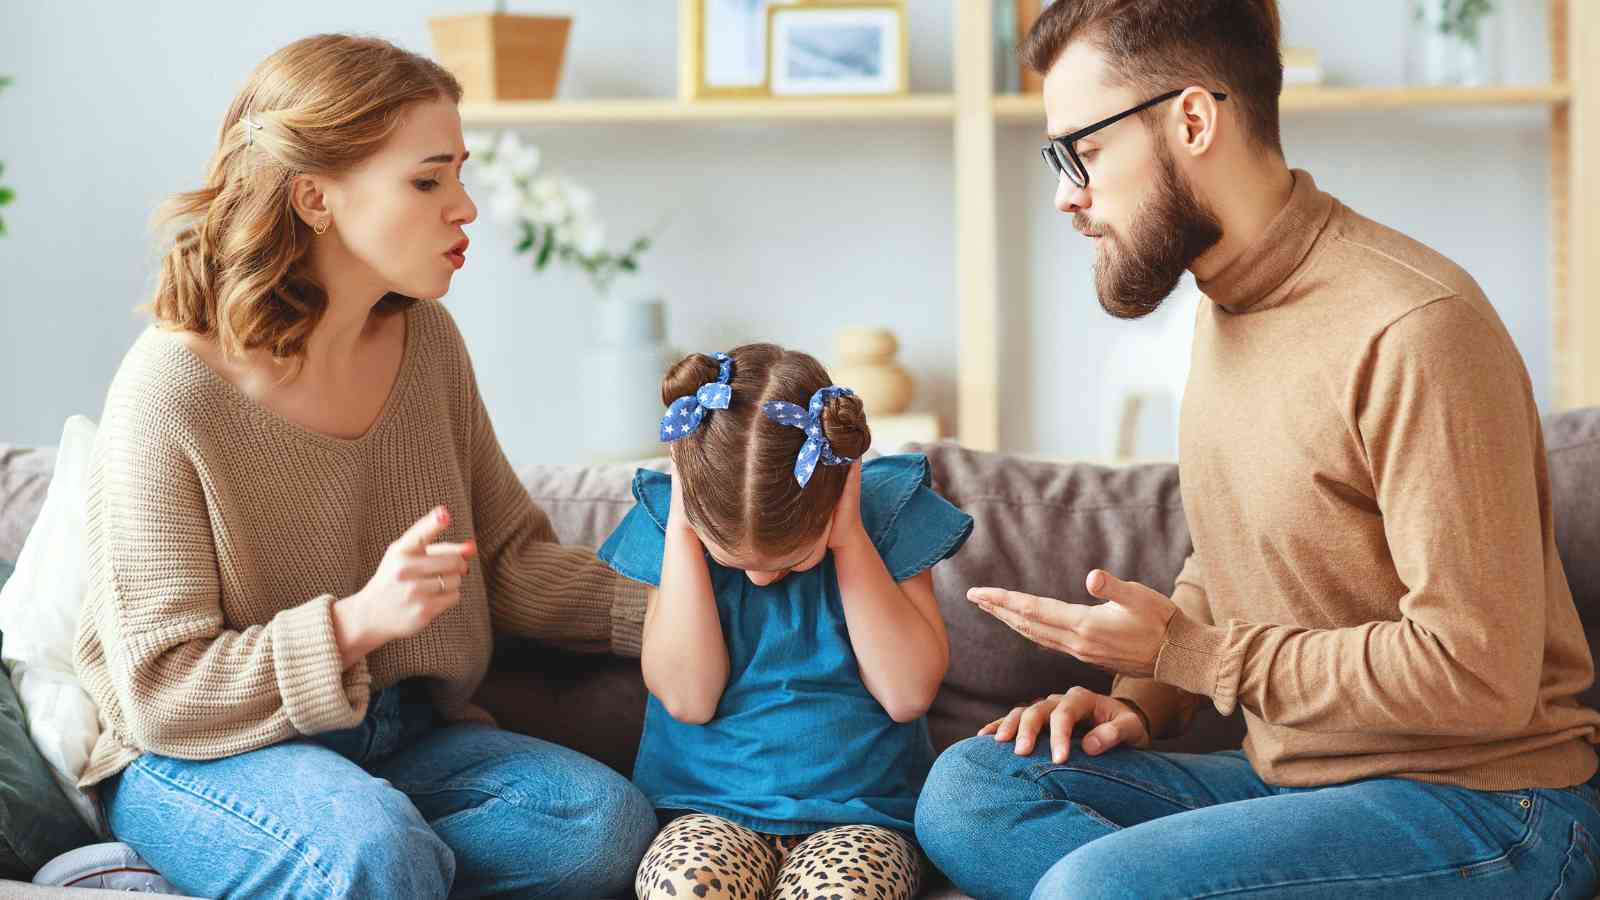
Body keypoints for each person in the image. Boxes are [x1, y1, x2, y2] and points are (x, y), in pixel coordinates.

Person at [912, 2, 1600, 898]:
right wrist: (1136, 702)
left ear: (1193, 119)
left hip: (1491, 809)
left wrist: (1196, 656)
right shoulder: (1224, 309)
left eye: (1081, 148)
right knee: (969, 789)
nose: (1066, 192)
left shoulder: (1414, 328)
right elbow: (1238, 559)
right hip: (1299, 786)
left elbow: (1479, 673)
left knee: (1097, 889)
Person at [75, 33, 655, 899]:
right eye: (428, 179)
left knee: (599, 828)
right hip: (204, 755)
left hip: (400, 733)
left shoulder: (427, 341)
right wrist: (353, 625)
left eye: (459, 173)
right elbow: (160, 690)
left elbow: (501, 560)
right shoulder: (172, 390)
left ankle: (351, 868)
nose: (465, 207)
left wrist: (680, 613)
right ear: (314, 197)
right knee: (376, 851)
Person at [598, 345, 974, 899]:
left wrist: (847, 537)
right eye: (734, 560)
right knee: (683, 889)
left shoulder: (888, 512)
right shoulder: (673, 526)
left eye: (792, 559)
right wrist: (684, 525)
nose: (759, 579)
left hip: (862, 819)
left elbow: (906, 694)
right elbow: (688, 699)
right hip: (709, 811)